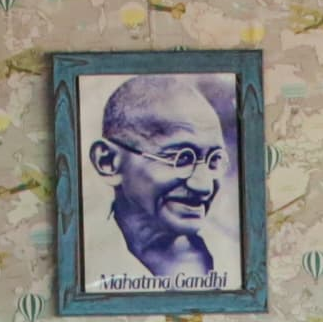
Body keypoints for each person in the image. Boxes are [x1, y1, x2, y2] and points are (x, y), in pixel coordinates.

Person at [88, 72, 240, 289]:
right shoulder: (84, 258)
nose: (204, 186)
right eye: (182, 158)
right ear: (108, 161)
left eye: (213, 161)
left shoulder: (235, 256)